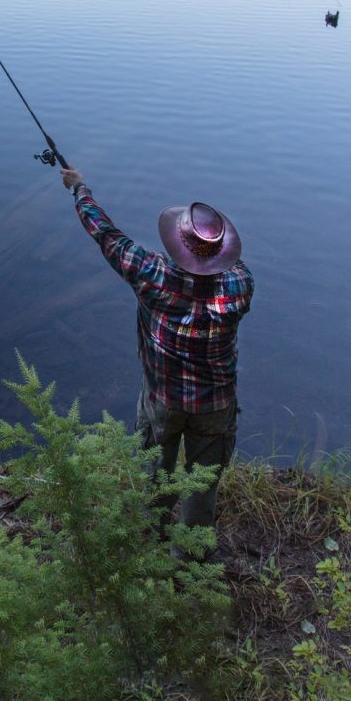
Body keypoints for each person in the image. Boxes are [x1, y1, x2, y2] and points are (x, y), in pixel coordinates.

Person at [59, 164, 253, 530]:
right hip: (217, 402)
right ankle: (192, 561)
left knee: (155, 476)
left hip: (163, 399)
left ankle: (153, 542)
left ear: (178, 246)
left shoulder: (152, 275)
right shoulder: (241, 283)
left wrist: (80, 189)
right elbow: (228, 269)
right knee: (203, 484)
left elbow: (106, 234)